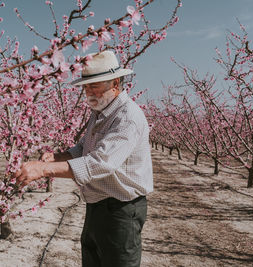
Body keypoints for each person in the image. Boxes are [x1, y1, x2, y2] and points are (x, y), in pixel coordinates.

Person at [13, 50, 153, 267]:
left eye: (94, 86)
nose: (88, 92)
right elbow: (84, 148)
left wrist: (43, 169)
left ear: (115, 84)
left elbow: (100, 162)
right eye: (86, 86)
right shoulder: (101, 112)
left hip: (121, 209)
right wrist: (59, 157)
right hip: (97, 204)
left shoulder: (127, 117)